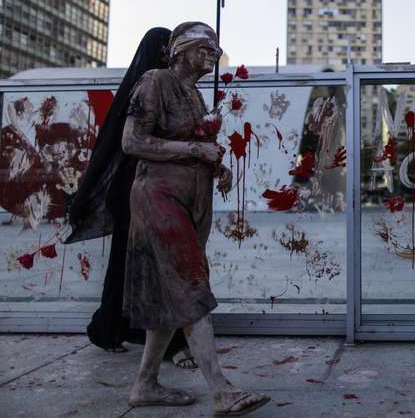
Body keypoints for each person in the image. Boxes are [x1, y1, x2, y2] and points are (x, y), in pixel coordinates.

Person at [121, 21, 269, 414]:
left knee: (172, 293)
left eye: (216, 49)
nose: (213, 54)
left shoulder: (195, 95)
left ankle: (145, 384)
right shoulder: (156, 82)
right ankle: (221, 389)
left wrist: (213, 161)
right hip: (159, 197)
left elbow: (196, 147)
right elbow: (132, 141)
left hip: (191, 200)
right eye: (205, 46)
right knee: (190, 283)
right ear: (181, 50)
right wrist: (193, 148)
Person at [67, 28, 195, 368]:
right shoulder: (148, 89)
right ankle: (166, 342)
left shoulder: (161, 87)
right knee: (153, 266)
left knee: (131, 264)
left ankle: (109, 328)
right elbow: (120, 145)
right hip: (137, 191)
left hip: (148, 188)